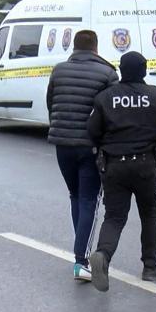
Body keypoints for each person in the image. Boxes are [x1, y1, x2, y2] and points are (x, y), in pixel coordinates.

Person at [87, 51, 156, 292]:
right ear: (144, 71)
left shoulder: (105, 97)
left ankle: (103, 254)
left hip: (114, 165)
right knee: (150, 213)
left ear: (121, 69)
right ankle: (150, 266)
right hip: (145, 165)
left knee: (114, 216)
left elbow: (92, 131)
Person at [46, 30, 119, 281]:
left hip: (62, 143)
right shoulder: (108, 73)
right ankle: (81, 260)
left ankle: (81, 253)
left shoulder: (59, 70)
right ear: (96, 48)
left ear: (74, 47)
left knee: (75, 196)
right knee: (89, 200)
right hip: (90, 146)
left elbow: (50, 102)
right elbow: (111, 112)